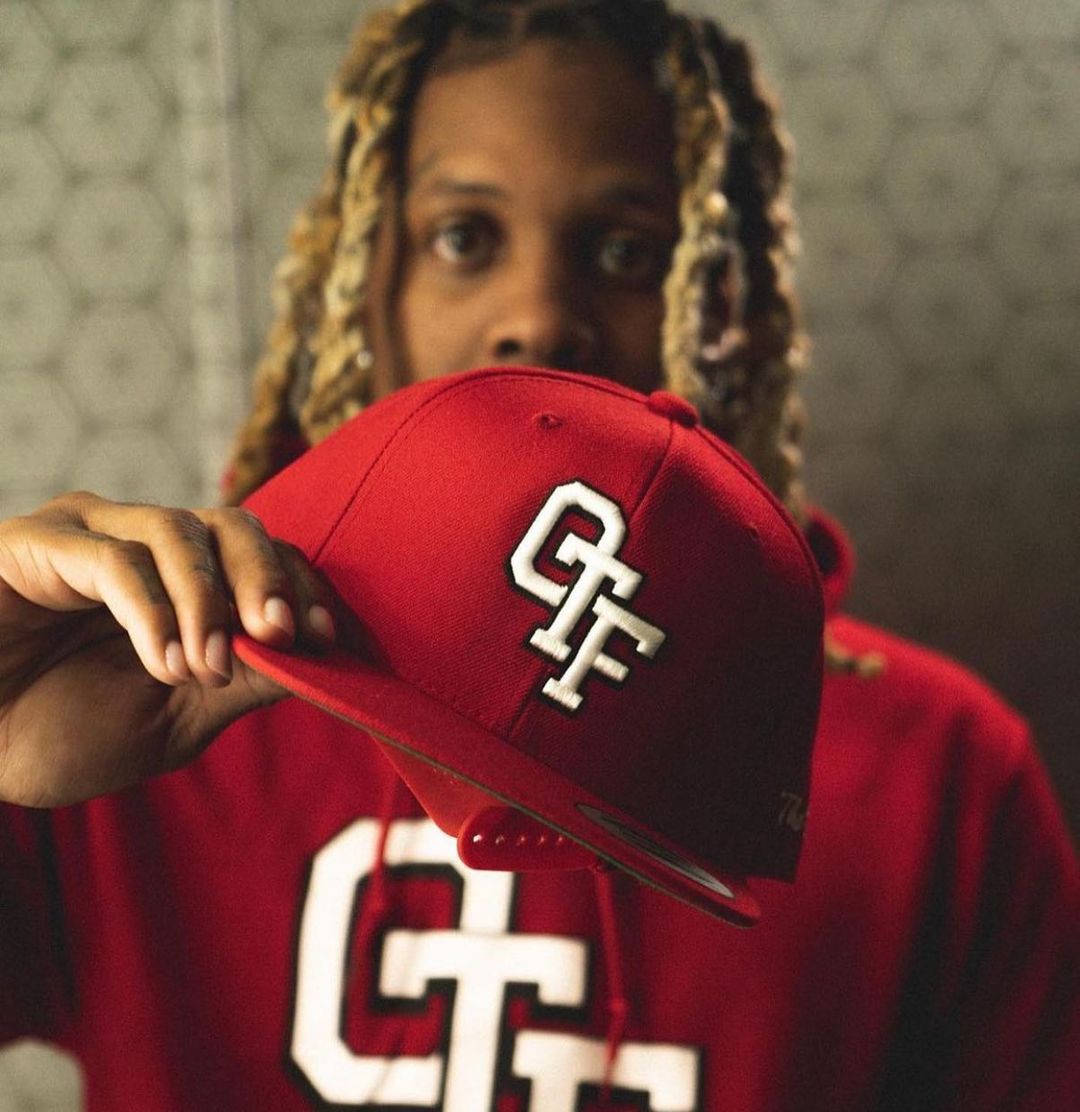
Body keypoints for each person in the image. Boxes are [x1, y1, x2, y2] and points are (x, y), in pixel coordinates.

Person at [0, 1, 1076, 1108]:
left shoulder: (937, 775)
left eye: (625, 252)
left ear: (729, 309)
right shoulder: (153, 680)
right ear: (367, 285)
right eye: (464, 238)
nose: (540, 316)